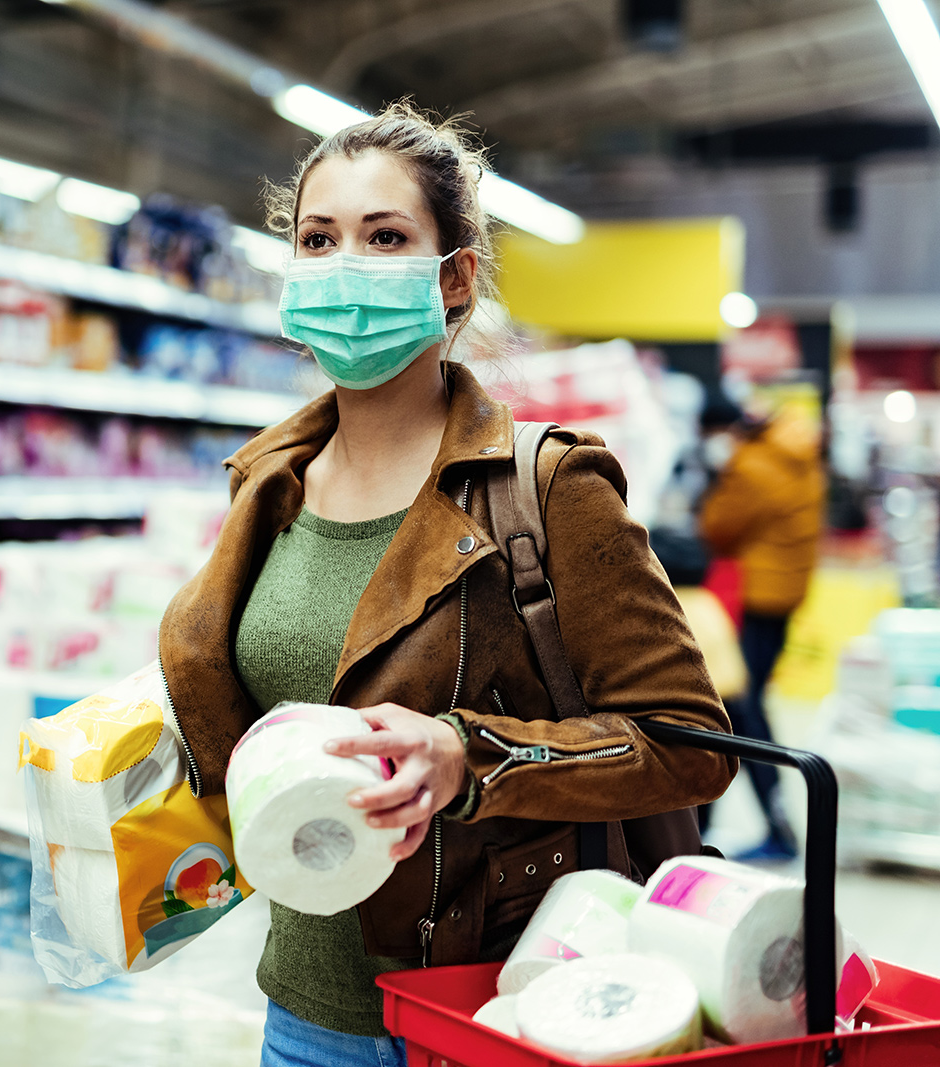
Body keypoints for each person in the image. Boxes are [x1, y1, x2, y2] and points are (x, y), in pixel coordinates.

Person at [157, 100, 736, 1067]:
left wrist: (473, 756)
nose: (345, 265)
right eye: (318, 238)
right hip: (302, 1018)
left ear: (454, 277)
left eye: (385, 237)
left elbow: (690, 744)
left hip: (484, 1010)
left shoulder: (548, 488)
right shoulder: (269, 485)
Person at [699, 394, 825, 861]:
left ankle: (775, 827)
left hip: (755, 596)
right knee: (749, 706)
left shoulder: (751, 467)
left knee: (740, 707)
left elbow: (717, 527)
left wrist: (715, 485)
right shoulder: (796, 452)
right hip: (786, 593)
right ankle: (773, 822)